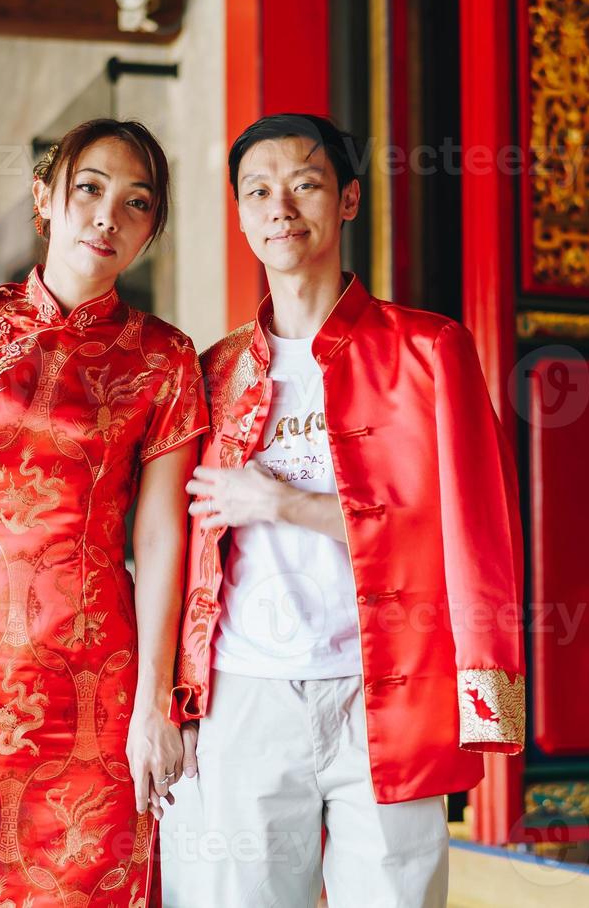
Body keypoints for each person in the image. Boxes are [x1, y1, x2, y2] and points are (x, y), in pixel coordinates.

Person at [160, 114, 526, 907]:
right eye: (257, 191)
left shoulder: (430, 352)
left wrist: (285, 502)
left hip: (386, 690)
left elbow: (471, 531)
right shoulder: (212, 371)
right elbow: (176, 551)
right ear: (241, 214)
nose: (280, 207)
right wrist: (171, 700)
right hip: (242, 694)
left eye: (305, 184)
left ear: (349, 200)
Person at [0, 119, 207, 908]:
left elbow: (163, 536)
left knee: (84, 884)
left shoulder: (164, 358)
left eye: (136, 204)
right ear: (44, 199)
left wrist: (156, 702)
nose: (107, 217)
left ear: (151, 230)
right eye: (88, 189)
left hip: (93, 685)